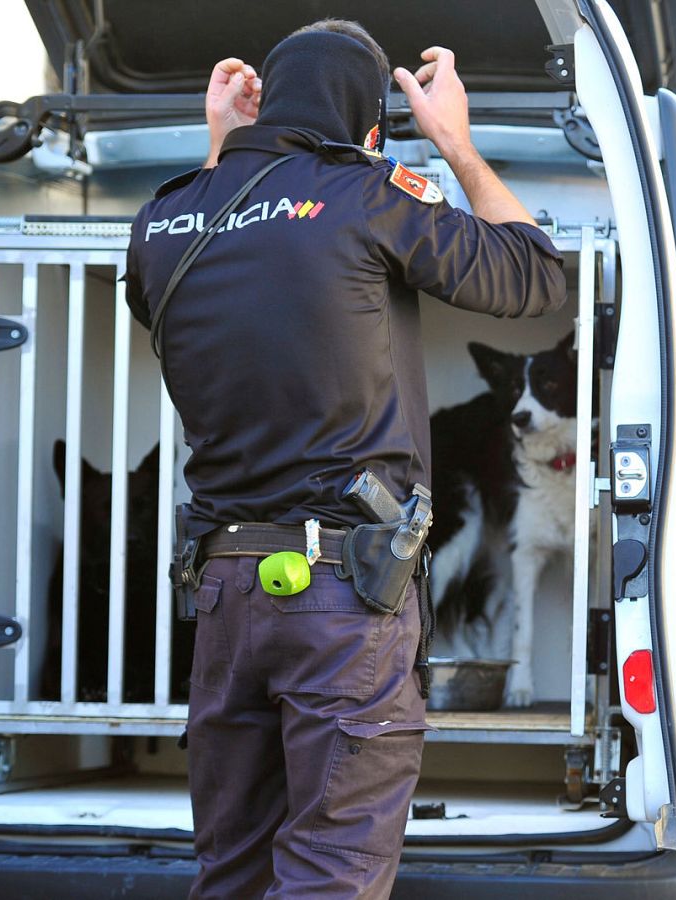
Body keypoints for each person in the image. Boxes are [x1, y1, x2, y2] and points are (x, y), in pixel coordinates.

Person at [124, 20, 567, 898]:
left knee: (232, 876)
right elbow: (537, 276)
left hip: (225, 594)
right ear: (370, 130)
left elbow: (214, 265)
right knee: (332, 877)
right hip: (341, 594)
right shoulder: (368, 192)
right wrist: (456, 144)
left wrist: (224, 154)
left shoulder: (166, 217)